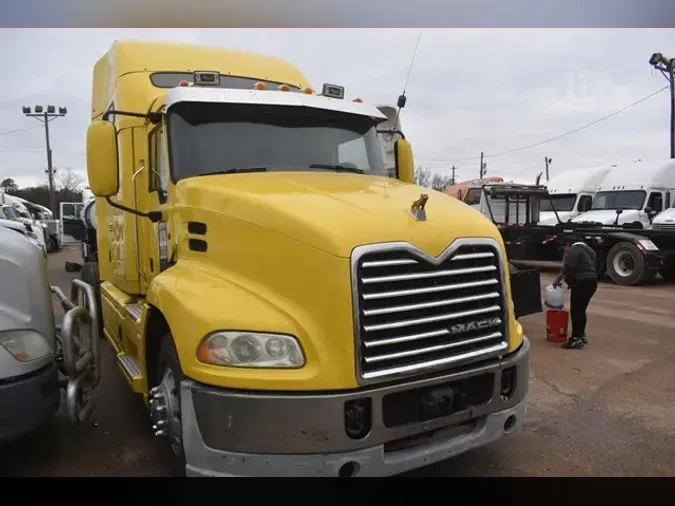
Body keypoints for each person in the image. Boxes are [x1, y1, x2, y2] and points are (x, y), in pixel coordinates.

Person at [553, 235, 598, 349]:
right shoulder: (588, 250)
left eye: (564, 248)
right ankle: (581, 336)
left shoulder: (573, 250)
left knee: (576, 311)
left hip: (582, 283)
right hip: (592, 281)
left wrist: (567, 282)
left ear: (568, 244)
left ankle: (576, 338)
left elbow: (568, 268)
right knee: (581, 310)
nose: (565, 251)